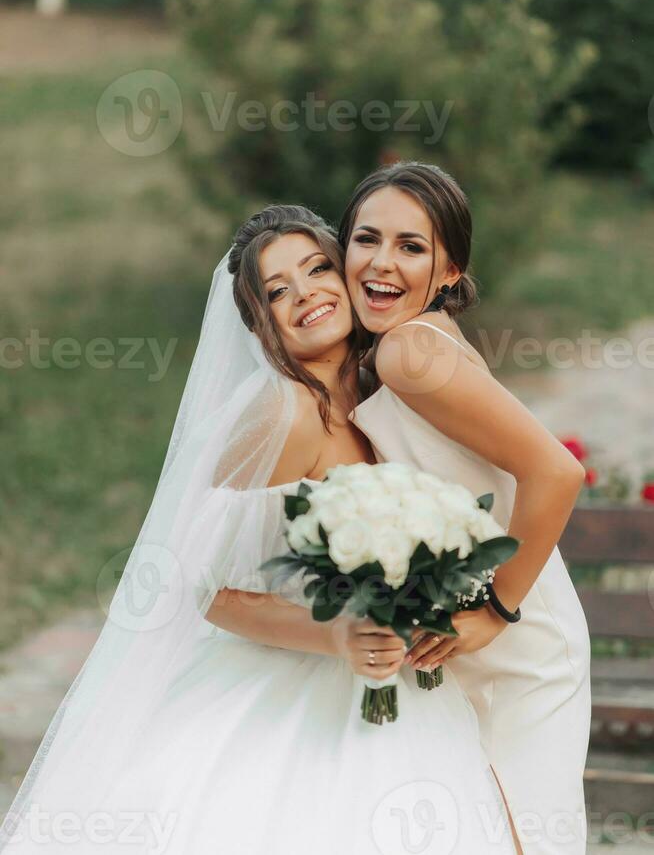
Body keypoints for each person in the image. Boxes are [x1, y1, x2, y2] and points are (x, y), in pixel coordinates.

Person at [1, 205, 517, 854]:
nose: (305, 295)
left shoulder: (377, 386)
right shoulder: (280, 415)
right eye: (277, 291)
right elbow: (209, 592)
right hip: (292, 682)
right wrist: (336, 634)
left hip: (399, 680)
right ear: (258, 324)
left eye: (317, 269)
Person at [340, 161, 592, 855]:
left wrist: (495, 610)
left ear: (450, 271)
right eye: (366, 239)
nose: (381, 263)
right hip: (472, 644)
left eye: (411, 247)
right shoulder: (405, 346)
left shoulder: (407, 351)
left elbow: (556, 472)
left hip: (522, 643)